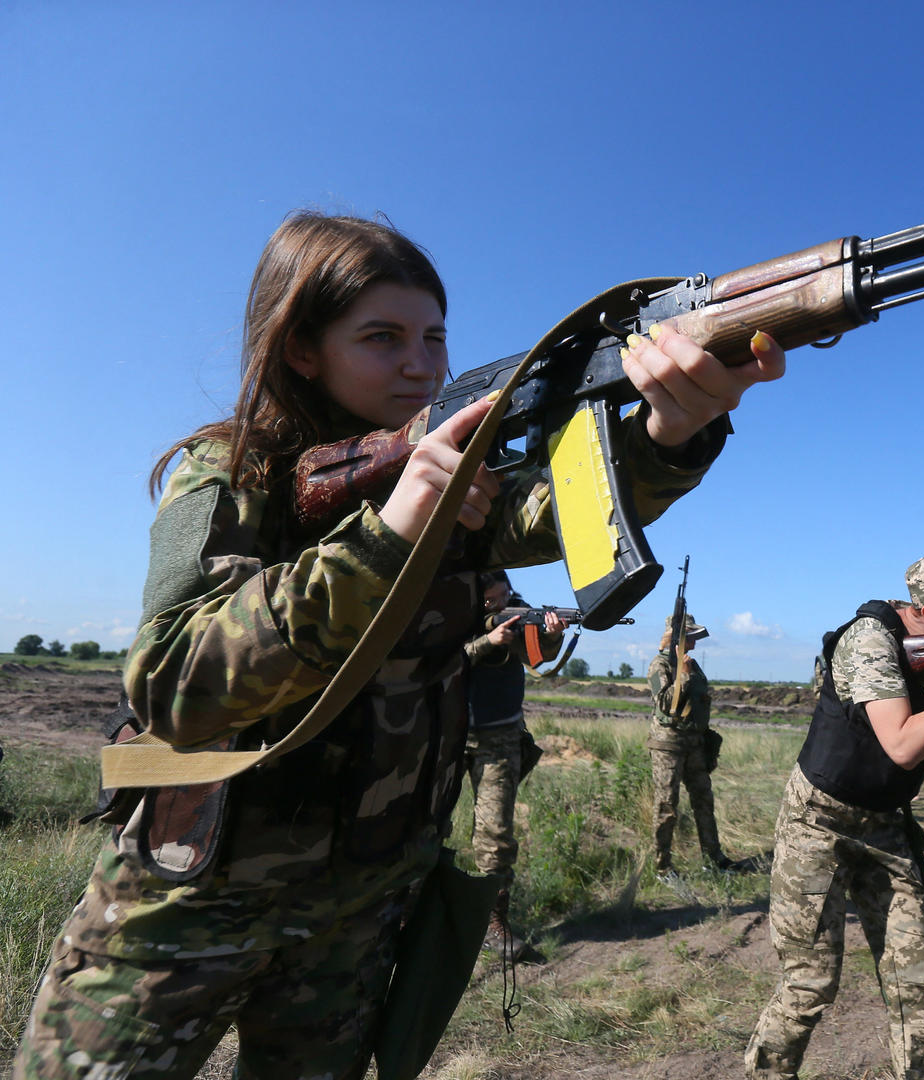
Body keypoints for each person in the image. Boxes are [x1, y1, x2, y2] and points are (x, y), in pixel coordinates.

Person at [15, 212, 784, 1080]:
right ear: (302, 348)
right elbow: (173, 684)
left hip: (362, 900)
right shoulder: (230, 472)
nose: (420, 363)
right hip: (189, 896)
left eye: (433, 337)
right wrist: (388, 533)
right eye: (382, 337)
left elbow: (555, 513)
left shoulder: (457, 469)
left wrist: (665, 436)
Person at [744, 553, 924, 1080]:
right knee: (810, 982)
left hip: (884, 825)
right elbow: (903, 746)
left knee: (920, 986)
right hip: (820, 823)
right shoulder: (869, 638)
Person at [464, 570, 566, 951]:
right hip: (445, 734)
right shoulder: (452, 613)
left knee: (495, 835)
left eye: (504, 595)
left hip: (500, 737)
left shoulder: (518, 613)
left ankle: (493, 921)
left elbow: (536, 658)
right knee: (425, 828)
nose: (500, 604)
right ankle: (412, 911)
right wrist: (485, 642)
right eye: (491, 600)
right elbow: (443, 661)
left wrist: (552, 634)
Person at [647, 611, 730, 876]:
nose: (694, 641)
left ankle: (713, 859)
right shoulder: (659, 665)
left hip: (693, 743)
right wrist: (682, 675)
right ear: (677, 639)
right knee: (666, 807)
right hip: (668, 746)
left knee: (704, 800)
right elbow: (664, 704)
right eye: (689, 636)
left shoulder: (689, 662)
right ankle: (662, 869)